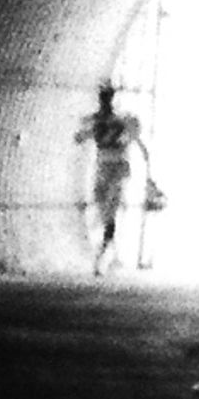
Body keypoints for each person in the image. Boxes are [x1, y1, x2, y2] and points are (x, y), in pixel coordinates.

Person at [78, 84, 152, 276]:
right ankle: (106, 245)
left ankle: (106, 248)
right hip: (105, 167)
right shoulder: (103, 121)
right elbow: (83, 136)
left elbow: (136, 141)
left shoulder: (117, 121)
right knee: (103, 206)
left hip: (115, 168)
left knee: (109, 206)